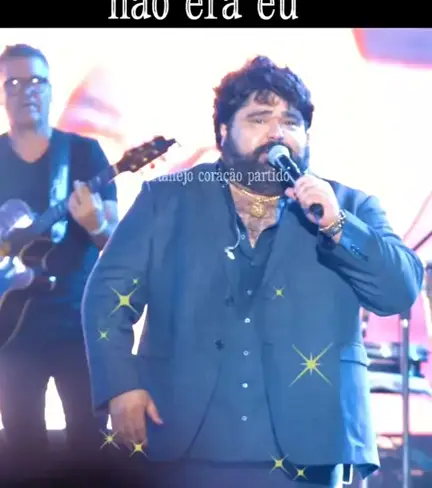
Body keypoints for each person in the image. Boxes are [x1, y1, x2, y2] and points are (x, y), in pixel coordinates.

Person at [81, 56, 424, 488]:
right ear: (223, 132)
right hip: (186, 440)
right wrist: (120, 384)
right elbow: (106, 297)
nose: (277, 132)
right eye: (259, 118)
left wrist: (337, 225)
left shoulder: (348, 206)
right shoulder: (165, 200)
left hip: (312, 447)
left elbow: (399, 291)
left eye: (291, 122)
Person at [0, 44, 118, 480]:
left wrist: (95, 223)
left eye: (36, 81)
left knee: (92, 447)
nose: (25, 90)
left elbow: (114, 245)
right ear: (2, 93)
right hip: (10, 334)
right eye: (13, 82)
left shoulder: (85, 155)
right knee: (23, 451)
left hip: (78, 329)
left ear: (50, 89)